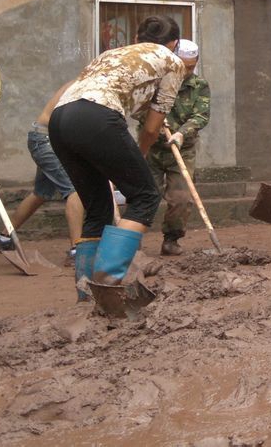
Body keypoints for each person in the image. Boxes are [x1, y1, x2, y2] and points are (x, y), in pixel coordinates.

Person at [48, 15, 186, 298]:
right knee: (145, 196)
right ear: (174, 43)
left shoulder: (113, 54)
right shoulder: (172, 61)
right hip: (99, 116)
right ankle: (108, 283)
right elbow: (150, 128)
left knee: (97, 210)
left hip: (60, 119)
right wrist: (140, 155)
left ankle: (86, 295)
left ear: (137, 39)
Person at [0, 81, 84, 264]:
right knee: (75, 191)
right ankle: (76, 250)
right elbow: (64, 121)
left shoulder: (85, 84)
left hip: (47, 139)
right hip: (47, 140)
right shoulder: (82, 87)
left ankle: (3, 239)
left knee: (41, 193)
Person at [141, 38, 210, 256]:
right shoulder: (156, 81)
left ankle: (171, 240)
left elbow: (201, 115)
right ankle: (131, 242)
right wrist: (153, 121)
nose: (186, 71)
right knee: (144, 195)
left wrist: (181, 133)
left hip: (182, 149)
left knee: (181, 198)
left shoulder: (199, 86)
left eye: (191, 67)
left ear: (196, 62)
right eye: (182, 65)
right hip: (150, 148)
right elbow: (139, 107)